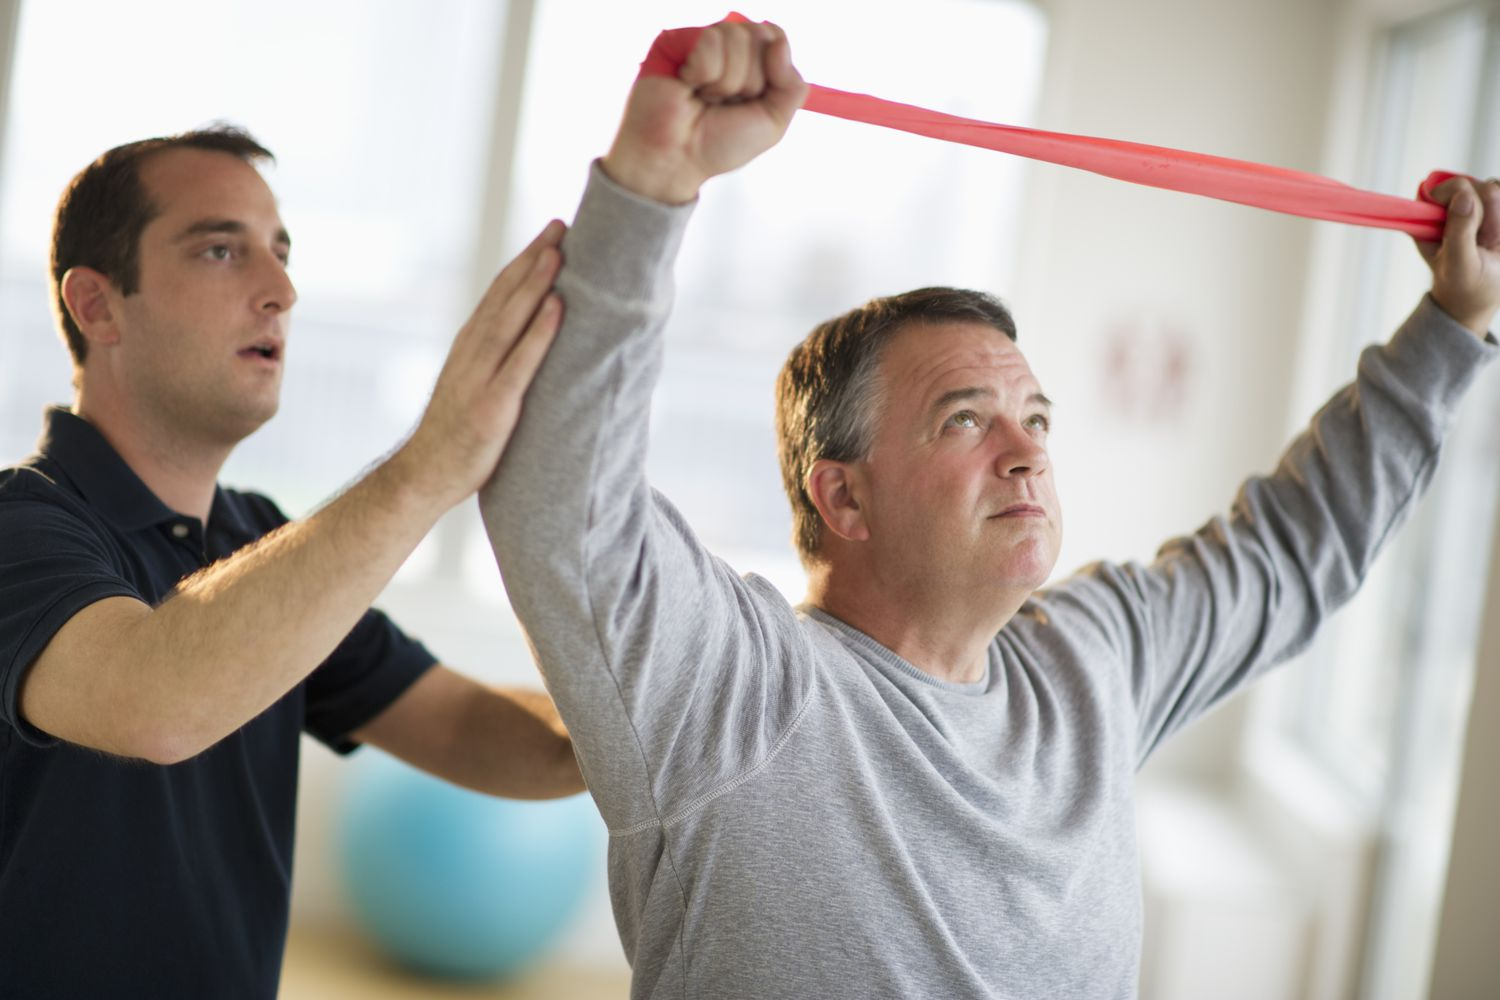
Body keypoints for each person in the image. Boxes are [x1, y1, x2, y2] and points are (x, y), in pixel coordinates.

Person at [479, 19, 1500, 1000]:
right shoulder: (738, 693)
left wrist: (1454, 324)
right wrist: (653, 186)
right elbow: (561, 507)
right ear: (843, 493)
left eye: (1038, 419)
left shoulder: (1088, 661)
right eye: (966, 421)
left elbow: (1291, 548)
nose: (1027, 456)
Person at [0, 126, 584, 998]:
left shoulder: (258, 540)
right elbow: (156, 700)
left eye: (278, 254)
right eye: (221, 250)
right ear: (98, 306)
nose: (281, 290)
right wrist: (430, 464)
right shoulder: (21, 527)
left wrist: (679, 714)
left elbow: (475, 733)